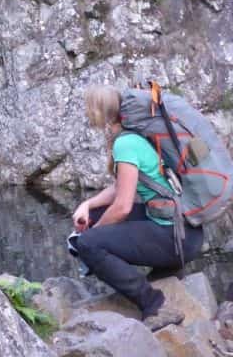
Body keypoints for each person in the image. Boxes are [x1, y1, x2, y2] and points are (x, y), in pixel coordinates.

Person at [71, 85, 204, 331]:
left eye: (88, 108)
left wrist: (91, 235)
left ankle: (155, 305)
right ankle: (166, 270)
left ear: (100, 112)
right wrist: (88, 205)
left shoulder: (126, 143)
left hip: (177, 238)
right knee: (95, 219)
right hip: (186, 231)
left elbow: (122, 206)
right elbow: (122, 187)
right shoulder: (137, 136)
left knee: (89, 243)